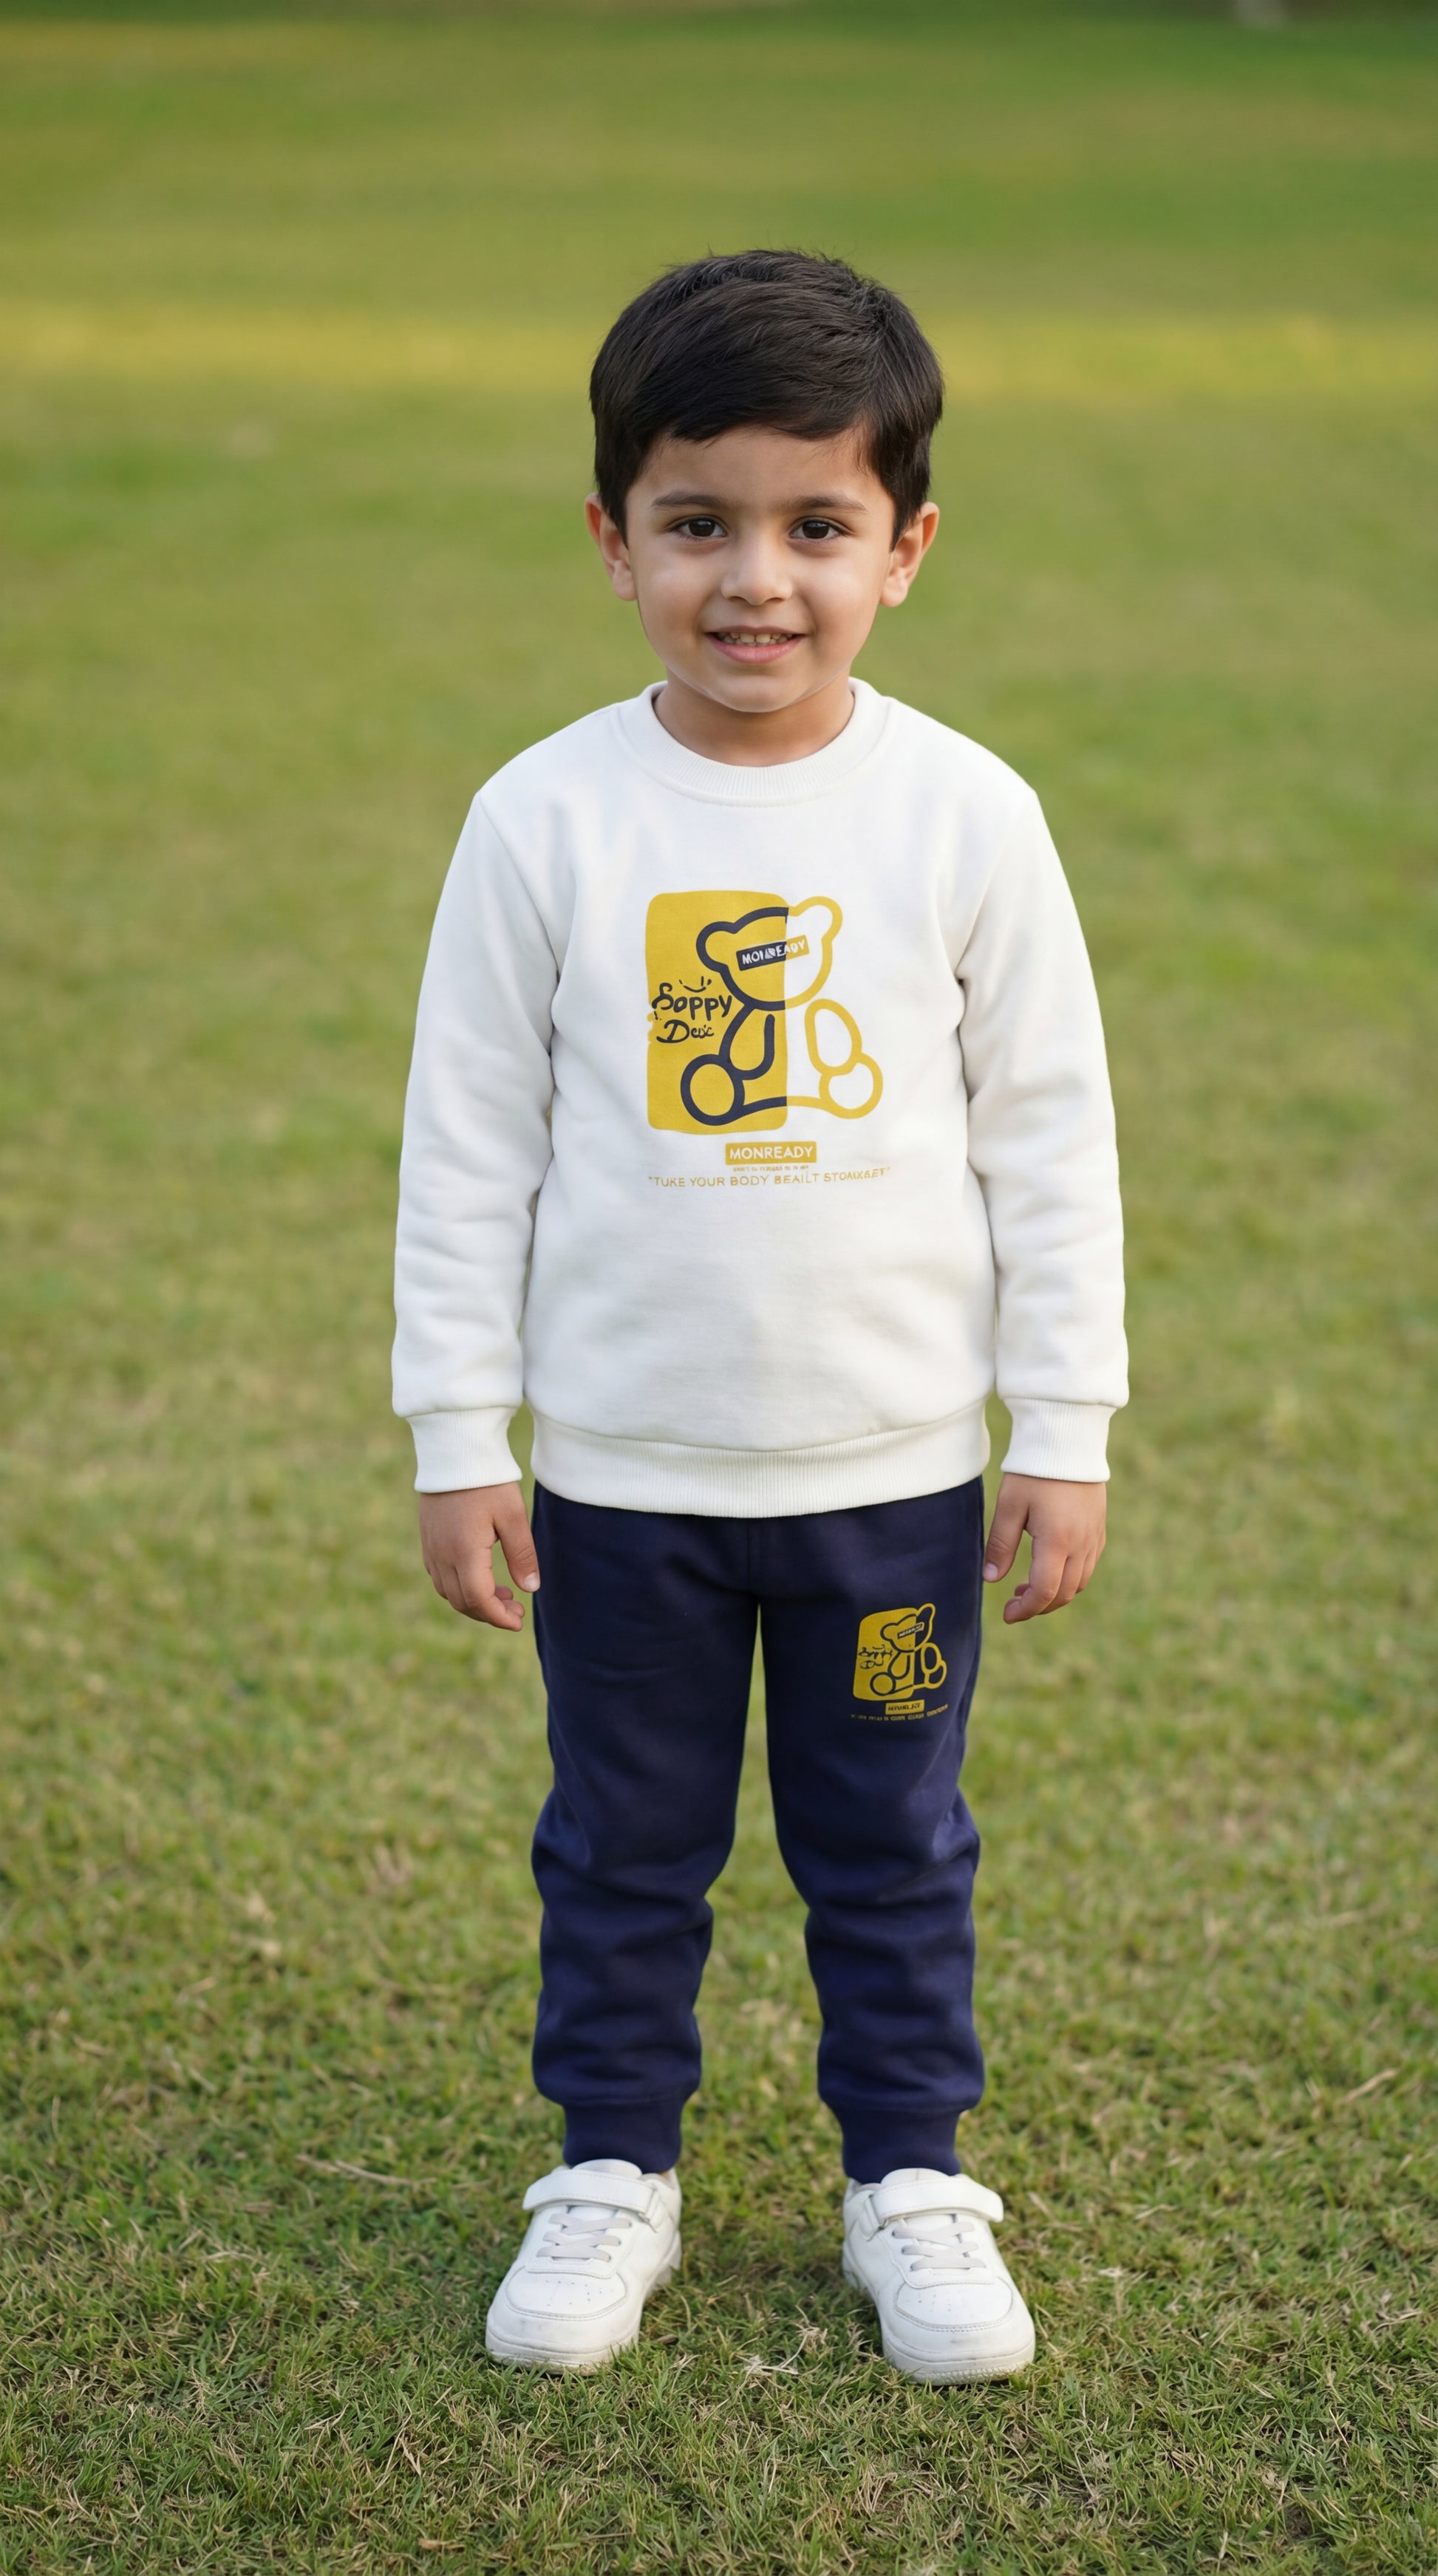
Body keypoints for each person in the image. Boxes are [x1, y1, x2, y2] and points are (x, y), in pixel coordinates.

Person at [392, 250, 1126, 2384]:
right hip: (625, 1487)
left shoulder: (965, 813)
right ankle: (609, 2168)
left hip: (890, 1492)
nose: (755, 579)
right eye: (697, 521)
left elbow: (1050, 1141)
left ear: (905, 547)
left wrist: (1061, 1425)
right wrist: (460, 1436)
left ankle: (910, 2178)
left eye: (816, 525)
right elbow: (467, 1151)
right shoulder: (542, 817)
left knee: (887, 1845)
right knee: (623, 1845)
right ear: (611, 535)